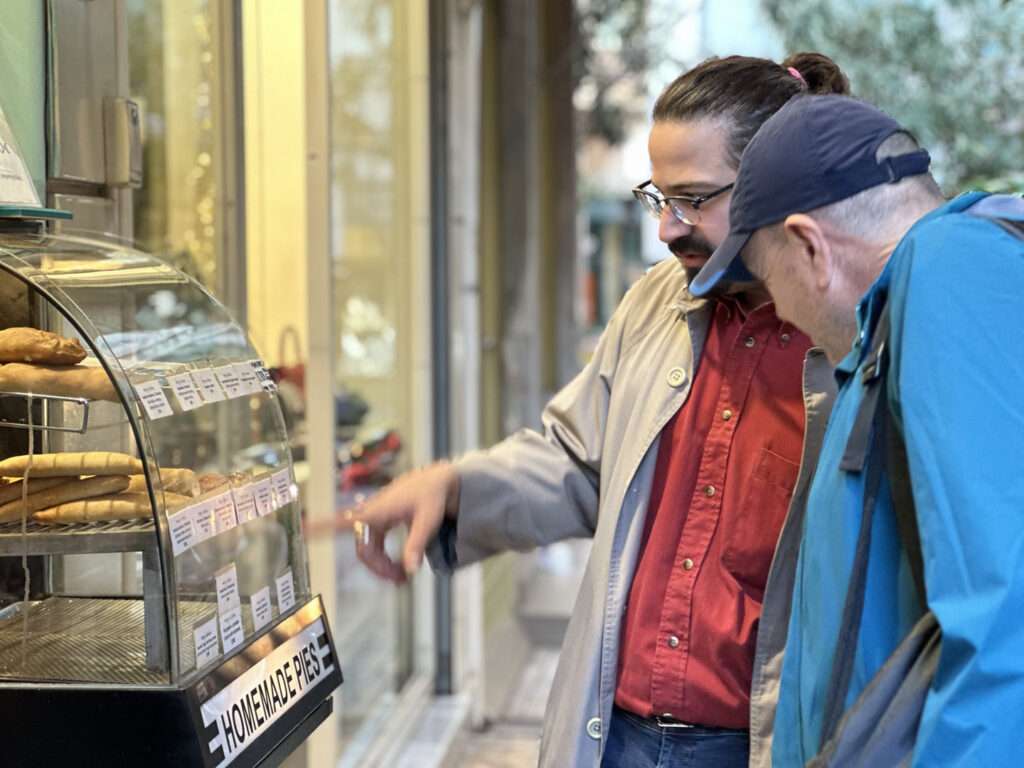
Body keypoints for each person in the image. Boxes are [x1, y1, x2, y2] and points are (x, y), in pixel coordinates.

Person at [340, 55, 850, 768]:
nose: (669, 229)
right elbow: (580, 463)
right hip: (616, 732)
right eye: (658, 198)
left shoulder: (857, 342)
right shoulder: (654, 304)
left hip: (768, 746)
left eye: (694, 199)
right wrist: (457, 486)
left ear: (782, 183)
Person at [690, 94, 1024, 766]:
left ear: (809, 246)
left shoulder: (948, 269)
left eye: (763, 278)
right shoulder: (895, 325)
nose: (778, 309)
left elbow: (1006, 622)